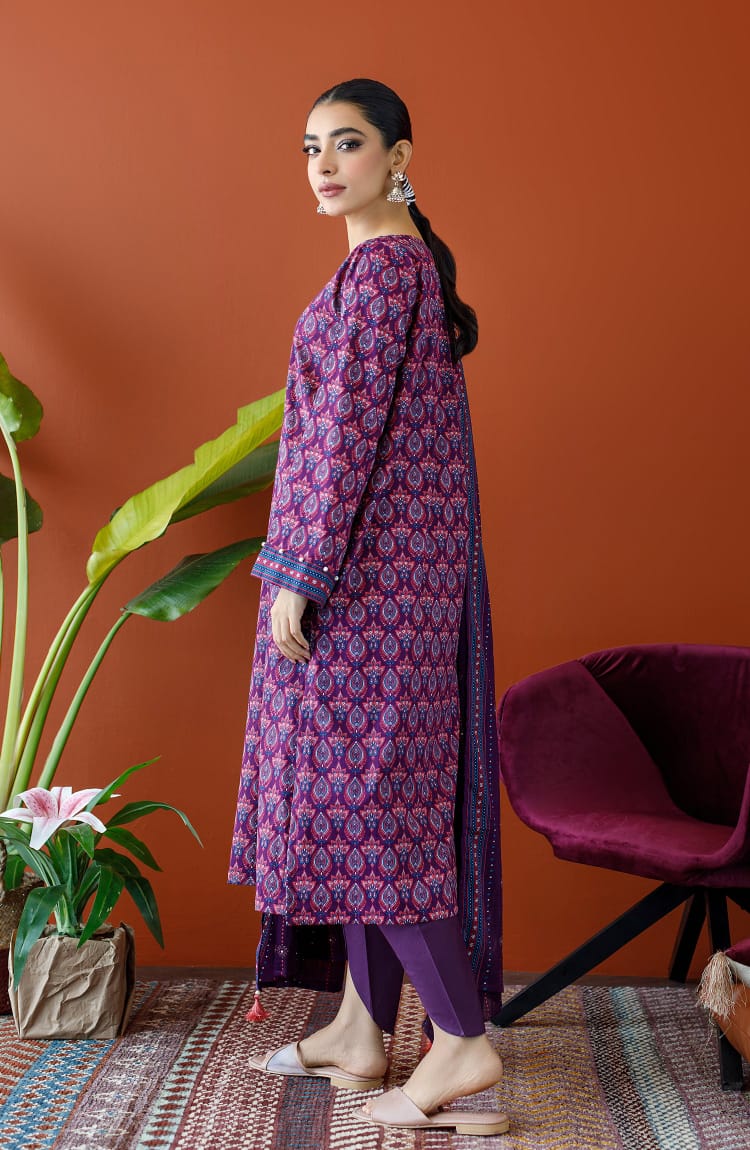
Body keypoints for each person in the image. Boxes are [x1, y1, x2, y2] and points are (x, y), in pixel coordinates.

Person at [229, 78, 506, 1136]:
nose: (323, 164)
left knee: (375, 810)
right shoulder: (387, 267)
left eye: (346, 143)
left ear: (399, 156)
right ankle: (358, 1027)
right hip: (387, 580)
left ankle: (462, 1043)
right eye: (310, 146)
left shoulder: (386, 270)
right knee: (365, 806)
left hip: (368, 586)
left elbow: (342, 434)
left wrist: (299, 571)